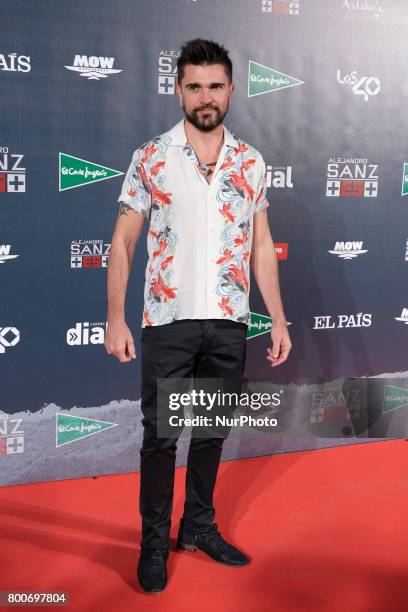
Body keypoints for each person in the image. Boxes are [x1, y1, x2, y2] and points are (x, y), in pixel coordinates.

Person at [104, 38, 292, 594]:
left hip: (229, 320)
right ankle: (154, 543)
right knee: (161, 440)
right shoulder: (151, 157)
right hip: (168, 320)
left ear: (231, 91)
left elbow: (261, 245)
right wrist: (115, 315)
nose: (205, 97)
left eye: (215, 86)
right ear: (178, 89)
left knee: (211, 433)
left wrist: (276, 319)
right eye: (194, 86)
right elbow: (122, 240)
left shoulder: (251, 162)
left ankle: (198, 528)